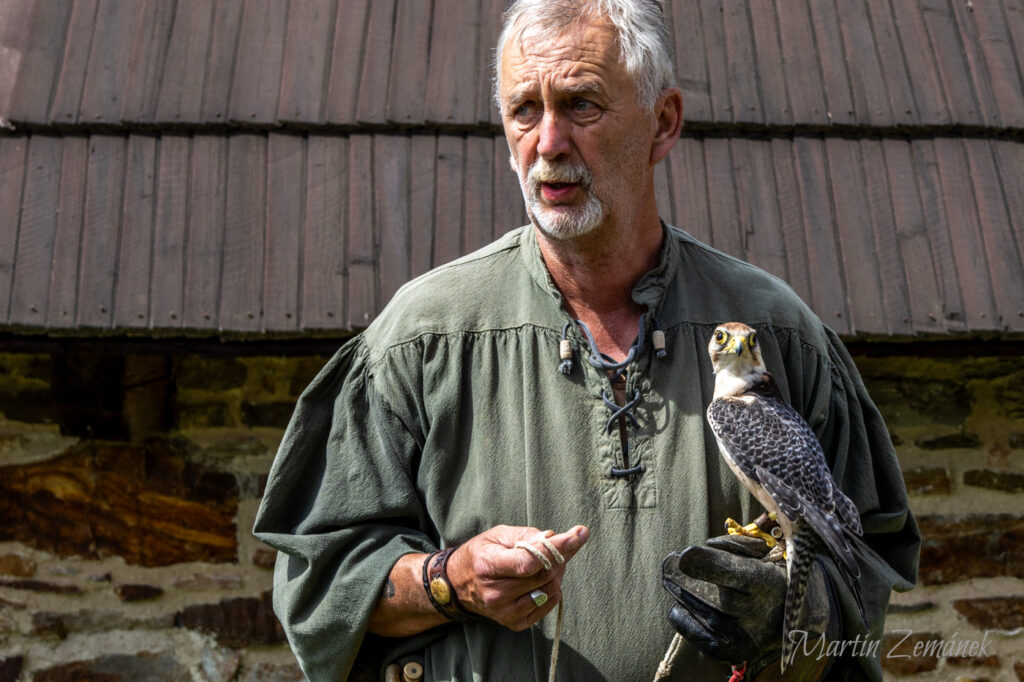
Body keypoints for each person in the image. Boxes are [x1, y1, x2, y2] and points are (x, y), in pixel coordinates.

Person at [253, 1, 920, 680]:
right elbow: (319, 585)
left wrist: (788, 611)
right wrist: (449, 580)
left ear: (662, 123)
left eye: (580, 105)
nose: (547, 143)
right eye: (524, 111)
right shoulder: (421, 340)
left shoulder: (781, 336)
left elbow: (865, 569)